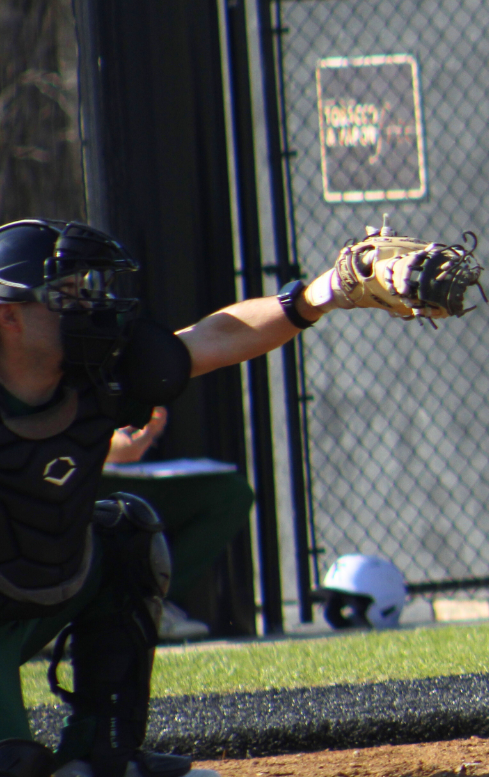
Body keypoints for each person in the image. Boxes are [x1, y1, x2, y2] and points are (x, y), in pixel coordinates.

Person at [0, 217, 458, 777]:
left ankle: (102, 751)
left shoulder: (99, 373)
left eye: (85, 290)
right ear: (9, 316)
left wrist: (327, 291)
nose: (88, 307)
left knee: (126, 535)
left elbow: (216, 336)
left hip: (39, 593)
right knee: (17, 766)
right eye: (64, 295)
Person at [99, 406, 256, 642]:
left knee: (230, 493)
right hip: (72, 483)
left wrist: (141, 429)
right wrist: (130, 441)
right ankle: (72, 618)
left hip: (127, 476)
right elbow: (114, 447)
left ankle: (150, 605)